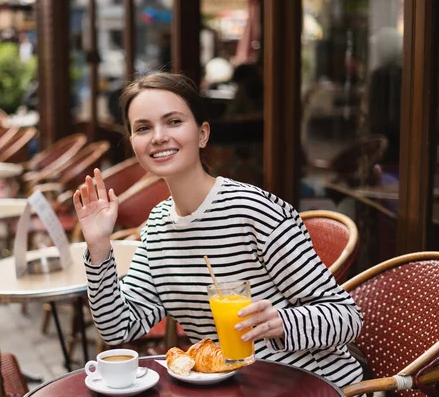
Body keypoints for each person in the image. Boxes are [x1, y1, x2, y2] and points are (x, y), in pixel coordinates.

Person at [73, 72, 363, 388]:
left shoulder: (254, 211)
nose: (158, 136)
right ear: (133, 143)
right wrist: (100, 247)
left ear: (202, 134)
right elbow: (118, 328)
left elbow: (346, 318)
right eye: (143, 128)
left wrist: (282, 322)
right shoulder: (157, 227)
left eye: (173, 122)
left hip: (312, 384)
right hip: (232, 387)